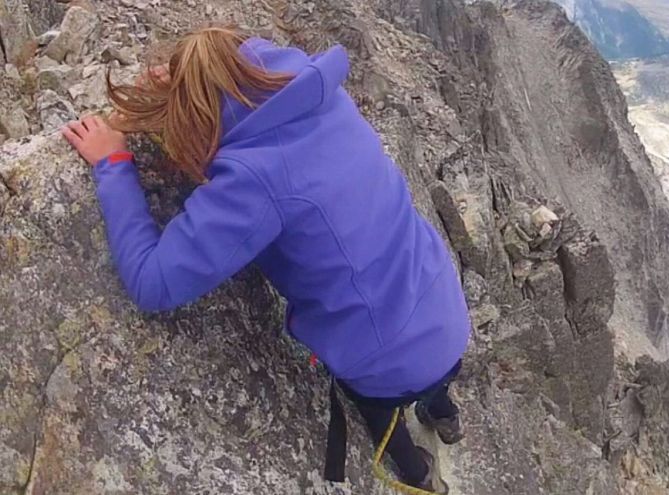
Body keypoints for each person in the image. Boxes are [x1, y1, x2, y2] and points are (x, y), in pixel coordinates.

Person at [61, 27, 471, 494]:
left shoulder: (256, 179)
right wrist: (190, 82)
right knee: (434, 367)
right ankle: (444, 414)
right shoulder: (316, 93)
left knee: (379, 404)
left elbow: (152, 281)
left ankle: (416, 473)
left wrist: (113, 164)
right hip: (444, 303)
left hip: (386, 357)